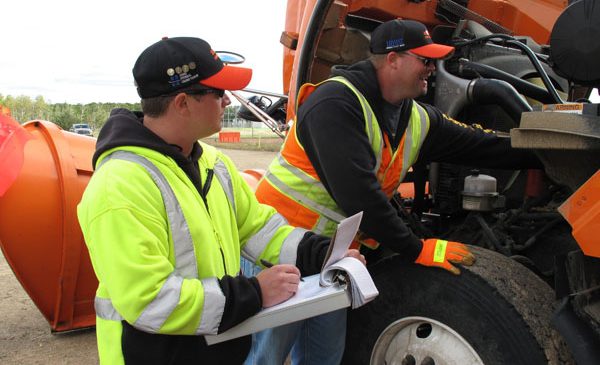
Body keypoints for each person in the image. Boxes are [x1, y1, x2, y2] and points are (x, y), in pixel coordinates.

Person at [245, 19, 542, 365]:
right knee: (268, 356)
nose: (432, 69)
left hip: (333, 260)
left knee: (324, 358)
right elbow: (359, 194)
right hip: (281, 251)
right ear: (392, 59)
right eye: (425, 60)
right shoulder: (335, 103)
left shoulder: (414, 117)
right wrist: (415, 248)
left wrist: (547, 150)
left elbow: (479, 144)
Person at [77, 36, 364, 365]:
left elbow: (259, 229)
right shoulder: (120, 185)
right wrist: (255, 293)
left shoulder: (213, 164)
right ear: (183, 103)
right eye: (217, 92)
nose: (227, 100)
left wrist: (326, 254)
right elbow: (150, 300)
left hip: (215, 348)